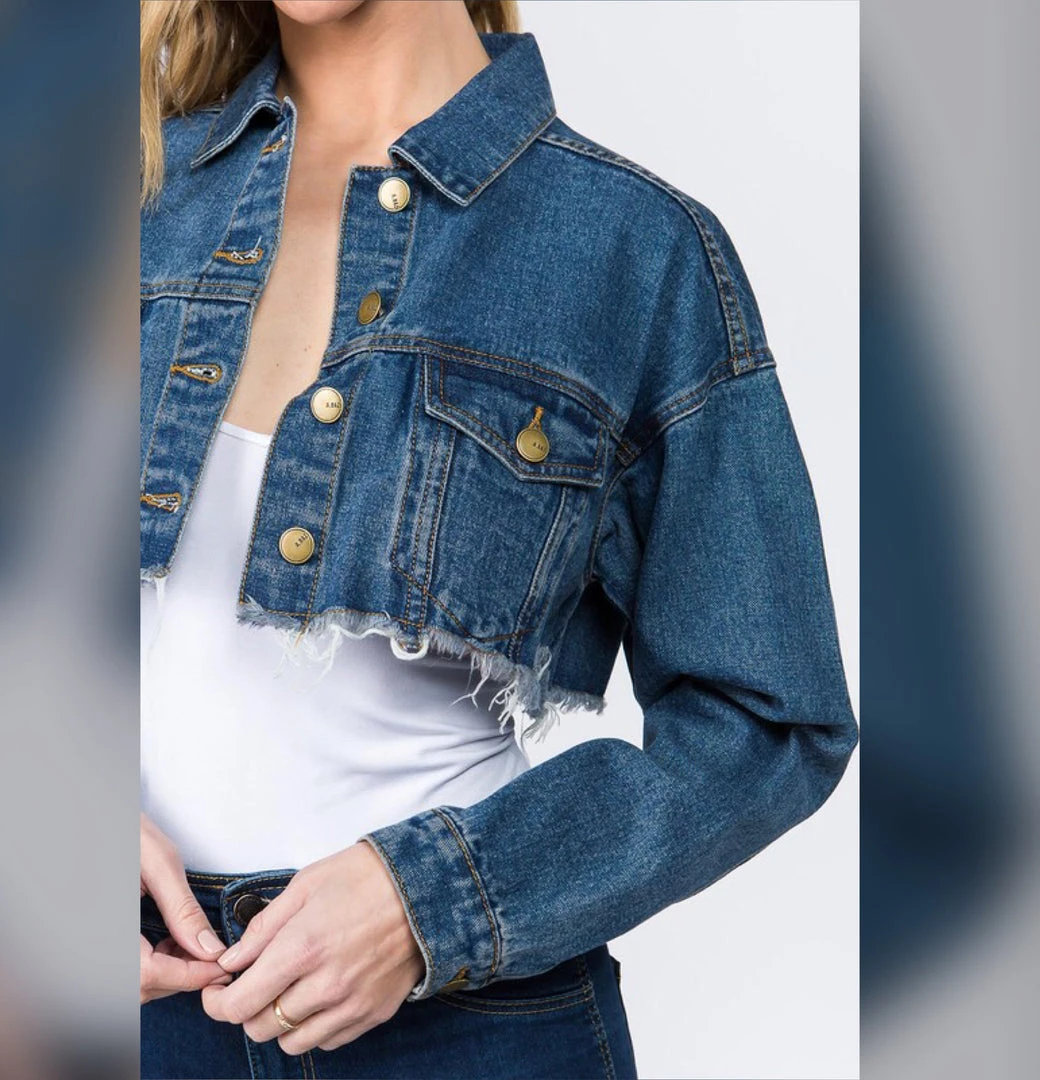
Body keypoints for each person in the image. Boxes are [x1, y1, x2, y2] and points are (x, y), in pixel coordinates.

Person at [139, 2, 858, 1077]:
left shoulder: (635, 250)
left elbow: (769, 717)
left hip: (471, 1029)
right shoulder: (128, 199)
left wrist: (433, 902)